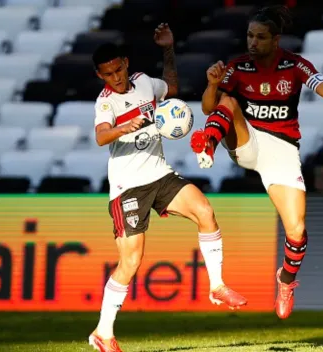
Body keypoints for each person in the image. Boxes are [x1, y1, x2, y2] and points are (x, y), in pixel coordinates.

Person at [190, 6, 323, 319]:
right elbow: (209, 107)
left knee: (296, 231)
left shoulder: (294, 65)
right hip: (249, 139)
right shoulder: (237, 66)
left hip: (281, 150)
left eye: (260, 37)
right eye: (250, 35)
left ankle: (285, 281)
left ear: (275, 39)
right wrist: (213, 84)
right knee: (227, 102)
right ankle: (207, 146)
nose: (253, 42)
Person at [89, 24, 247, 352]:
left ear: (126, 63)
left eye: (118, 70)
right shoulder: (105, 104)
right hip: (128, 188)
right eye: (108, 75)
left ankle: (217, 286)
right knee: (130, 262)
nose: (116, 78)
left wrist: (168, 49)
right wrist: (123, 127)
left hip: (160, 175)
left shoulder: (145, 82)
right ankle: (103, 333)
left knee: (205, 210)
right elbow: (101, 136)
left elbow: (171, 88)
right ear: (100, 76)